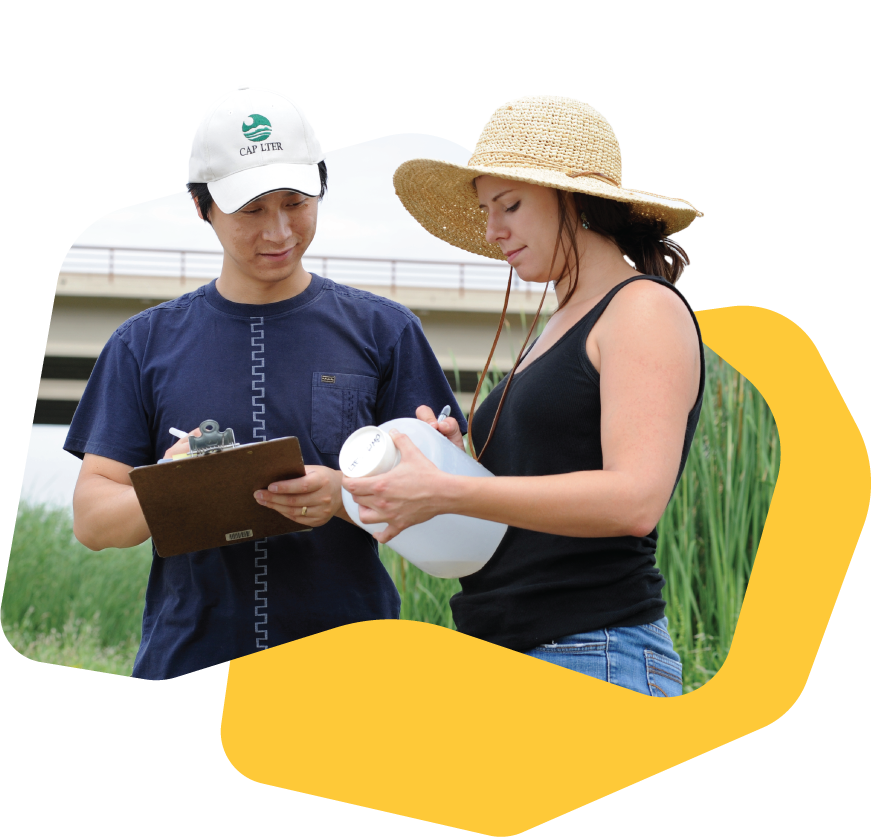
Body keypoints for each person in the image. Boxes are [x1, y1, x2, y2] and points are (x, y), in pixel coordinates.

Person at [65, 85, 464, 680]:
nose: (278, 231)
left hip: (351, 672)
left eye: (296, 202)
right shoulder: (140, 343)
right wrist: (169, 485)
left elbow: (445, 515)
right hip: (186, 658)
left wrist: (350, 494)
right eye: (251, 210)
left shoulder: (386, 332)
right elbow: (93, 522)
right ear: (202, 207)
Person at [343, 95, 705, 697]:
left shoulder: (641, 308)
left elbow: (635, 499)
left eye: (509, 205)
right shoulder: (558, 322)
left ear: (578, 201)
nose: (492, 230)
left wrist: (446, 489)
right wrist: (460, 462)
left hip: (594, 649)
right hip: (518, 648)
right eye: (486, 210)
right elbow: (540, 486)